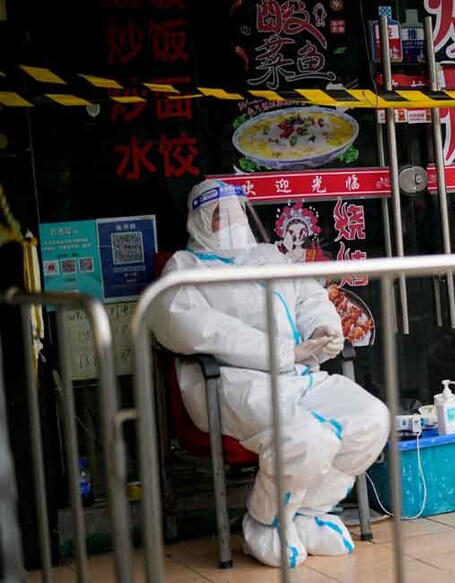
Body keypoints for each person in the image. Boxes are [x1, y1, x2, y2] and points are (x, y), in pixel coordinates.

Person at [150, 179, 390, 567]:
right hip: (233, 382)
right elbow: (196, 328)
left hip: (299, 374)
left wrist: (323, 330)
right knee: (306, 438)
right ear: (196, 222)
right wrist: (281, 352)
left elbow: (310, 296)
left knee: (371, 419)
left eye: (234, 212)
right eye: (217, 216)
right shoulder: (184, 270)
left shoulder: (269, 256)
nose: (228, 222)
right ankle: (264, 523)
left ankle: (308, 512)